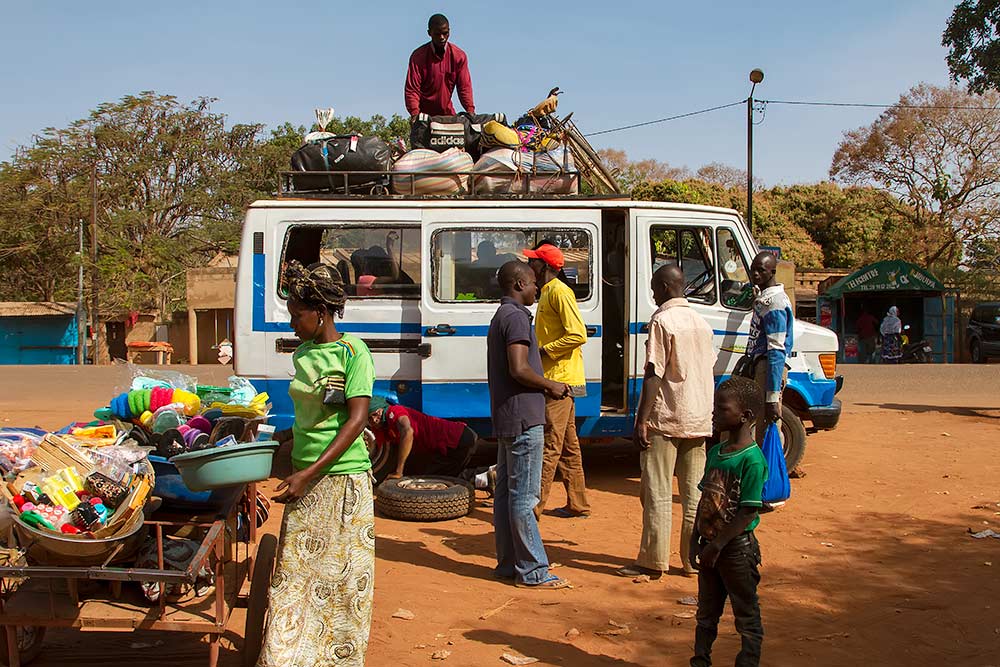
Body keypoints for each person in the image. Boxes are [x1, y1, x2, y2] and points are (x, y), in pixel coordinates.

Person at [258, 261, 375, 667]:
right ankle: (285, 657)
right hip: (304, 479)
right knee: (294, 579)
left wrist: (309, 473)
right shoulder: (305, 353)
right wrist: (280, 441)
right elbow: (311, 417)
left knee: (342, 583)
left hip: (340, 484)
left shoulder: (354, 352)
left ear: (320, 312)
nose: (292, 324)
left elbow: (356, 420)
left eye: (296, 315)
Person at [618, 264, 716, 579]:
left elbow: (654, 372)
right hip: (698, 417)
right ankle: (691, 562)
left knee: (657, 492)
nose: (652, 293)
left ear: (663, 287)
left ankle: (653, 561)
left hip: (667, 417)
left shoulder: (662, 320)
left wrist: (641, 419)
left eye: (653, 287)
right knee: (694, 495)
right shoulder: (701, 322)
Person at [487, 260, 571, 589]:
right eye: (534, 283)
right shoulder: (517, 317)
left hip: (510, 416)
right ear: (520, 284)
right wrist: (550, 385)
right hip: (524, 418)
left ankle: (509, 564)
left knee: (507, 495)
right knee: (524, 497)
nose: (538, 288)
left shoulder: (502, 316)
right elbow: (519, 369)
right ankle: (533, 570)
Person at [690, 377, 768, 667]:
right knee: (706, 614)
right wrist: (693, 540)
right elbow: (706, 500)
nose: (715, 413)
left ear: (745, 416)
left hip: (736, 550)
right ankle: (699, 661)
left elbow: (748, 511)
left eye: (722, 409)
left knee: (746, 616)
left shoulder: (753, 460)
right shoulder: (716, 452)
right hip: (711, 545)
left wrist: (718, 544)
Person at [524, 242, 591, 520]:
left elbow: (578, 334)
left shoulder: (559, 292)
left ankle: (532, 509)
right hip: (562, 379)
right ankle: (578, 503)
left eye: (534, 262)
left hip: (559, 381)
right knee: (568, 447)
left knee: (550, 445)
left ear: (546, 267)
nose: (530, 267)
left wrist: (543, 351)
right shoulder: (549, 292)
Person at [367, 397, 480, 478]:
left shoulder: (394, 411)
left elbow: (408, 431)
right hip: (446, 445)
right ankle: (484, 476)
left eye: (376, 414)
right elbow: (380, 450)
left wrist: (399, 470)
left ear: (383, 409)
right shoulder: (380, 428)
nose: (374, 420)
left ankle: (484, 477)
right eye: (369, 418)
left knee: (431, 480)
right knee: (434, 475)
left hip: (456, 440)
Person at [746, 251, 794, 440]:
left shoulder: (775, 303)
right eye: (753, 270)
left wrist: (772, 398)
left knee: (767, 428)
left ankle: (771, 468)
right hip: (761, 364)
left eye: (761, 271)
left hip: (769, 368)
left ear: (772, 272)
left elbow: (776, 350)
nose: (755, 275)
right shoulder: (765, 297)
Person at [404, 14, 475, 118]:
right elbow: (412, 90)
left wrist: (470, 111)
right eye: (437, 34)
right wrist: (415, 114)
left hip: (447, 115)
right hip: (423, 117)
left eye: (445, 33)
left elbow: (464, 87)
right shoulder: (418, 57)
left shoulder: (459, 56)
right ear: (429, 33)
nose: (442, 37)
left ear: (449, 31)